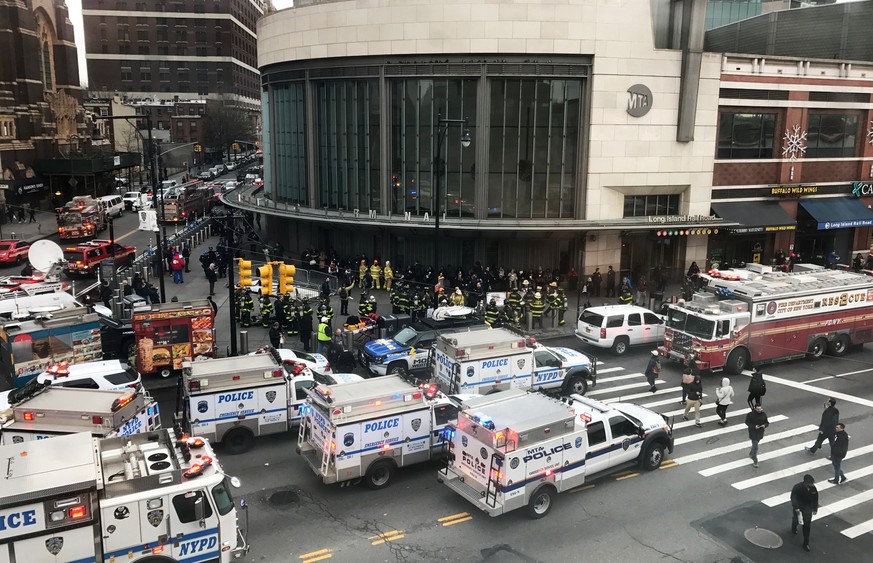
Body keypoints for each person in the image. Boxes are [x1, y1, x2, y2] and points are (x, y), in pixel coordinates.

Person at [791, 474, 819, 552]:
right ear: (806, 483)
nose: (812, 485)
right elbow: (793, 497)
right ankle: (794, 527)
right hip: (799, 508)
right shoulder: (798, 487)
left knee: (807, 526)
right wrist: (796, 507)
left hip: (808, 509)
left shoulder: (813, 489)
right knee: (796, 519)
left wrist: (815, 509)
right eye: (810, 483)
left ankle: (806, 543)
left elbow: (815, 499)